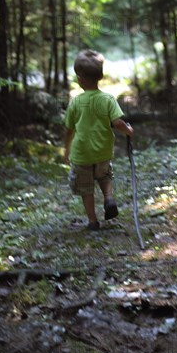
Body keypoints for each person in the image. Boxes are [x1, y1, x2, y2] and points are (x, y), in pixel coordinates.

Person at [64, 49, 134, 230]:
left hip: (82, 154)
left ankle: (93, 222)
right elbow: (118, 123)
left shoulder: (75, 102)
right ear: (101, 76)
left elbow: (69, 129)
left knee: (86, 189)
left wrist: (67, 149)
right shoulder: (108, 99)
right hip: (103, 152)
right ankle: (109, 198)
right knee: (104, 176)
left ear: (79, 79)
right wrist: (128, 131)